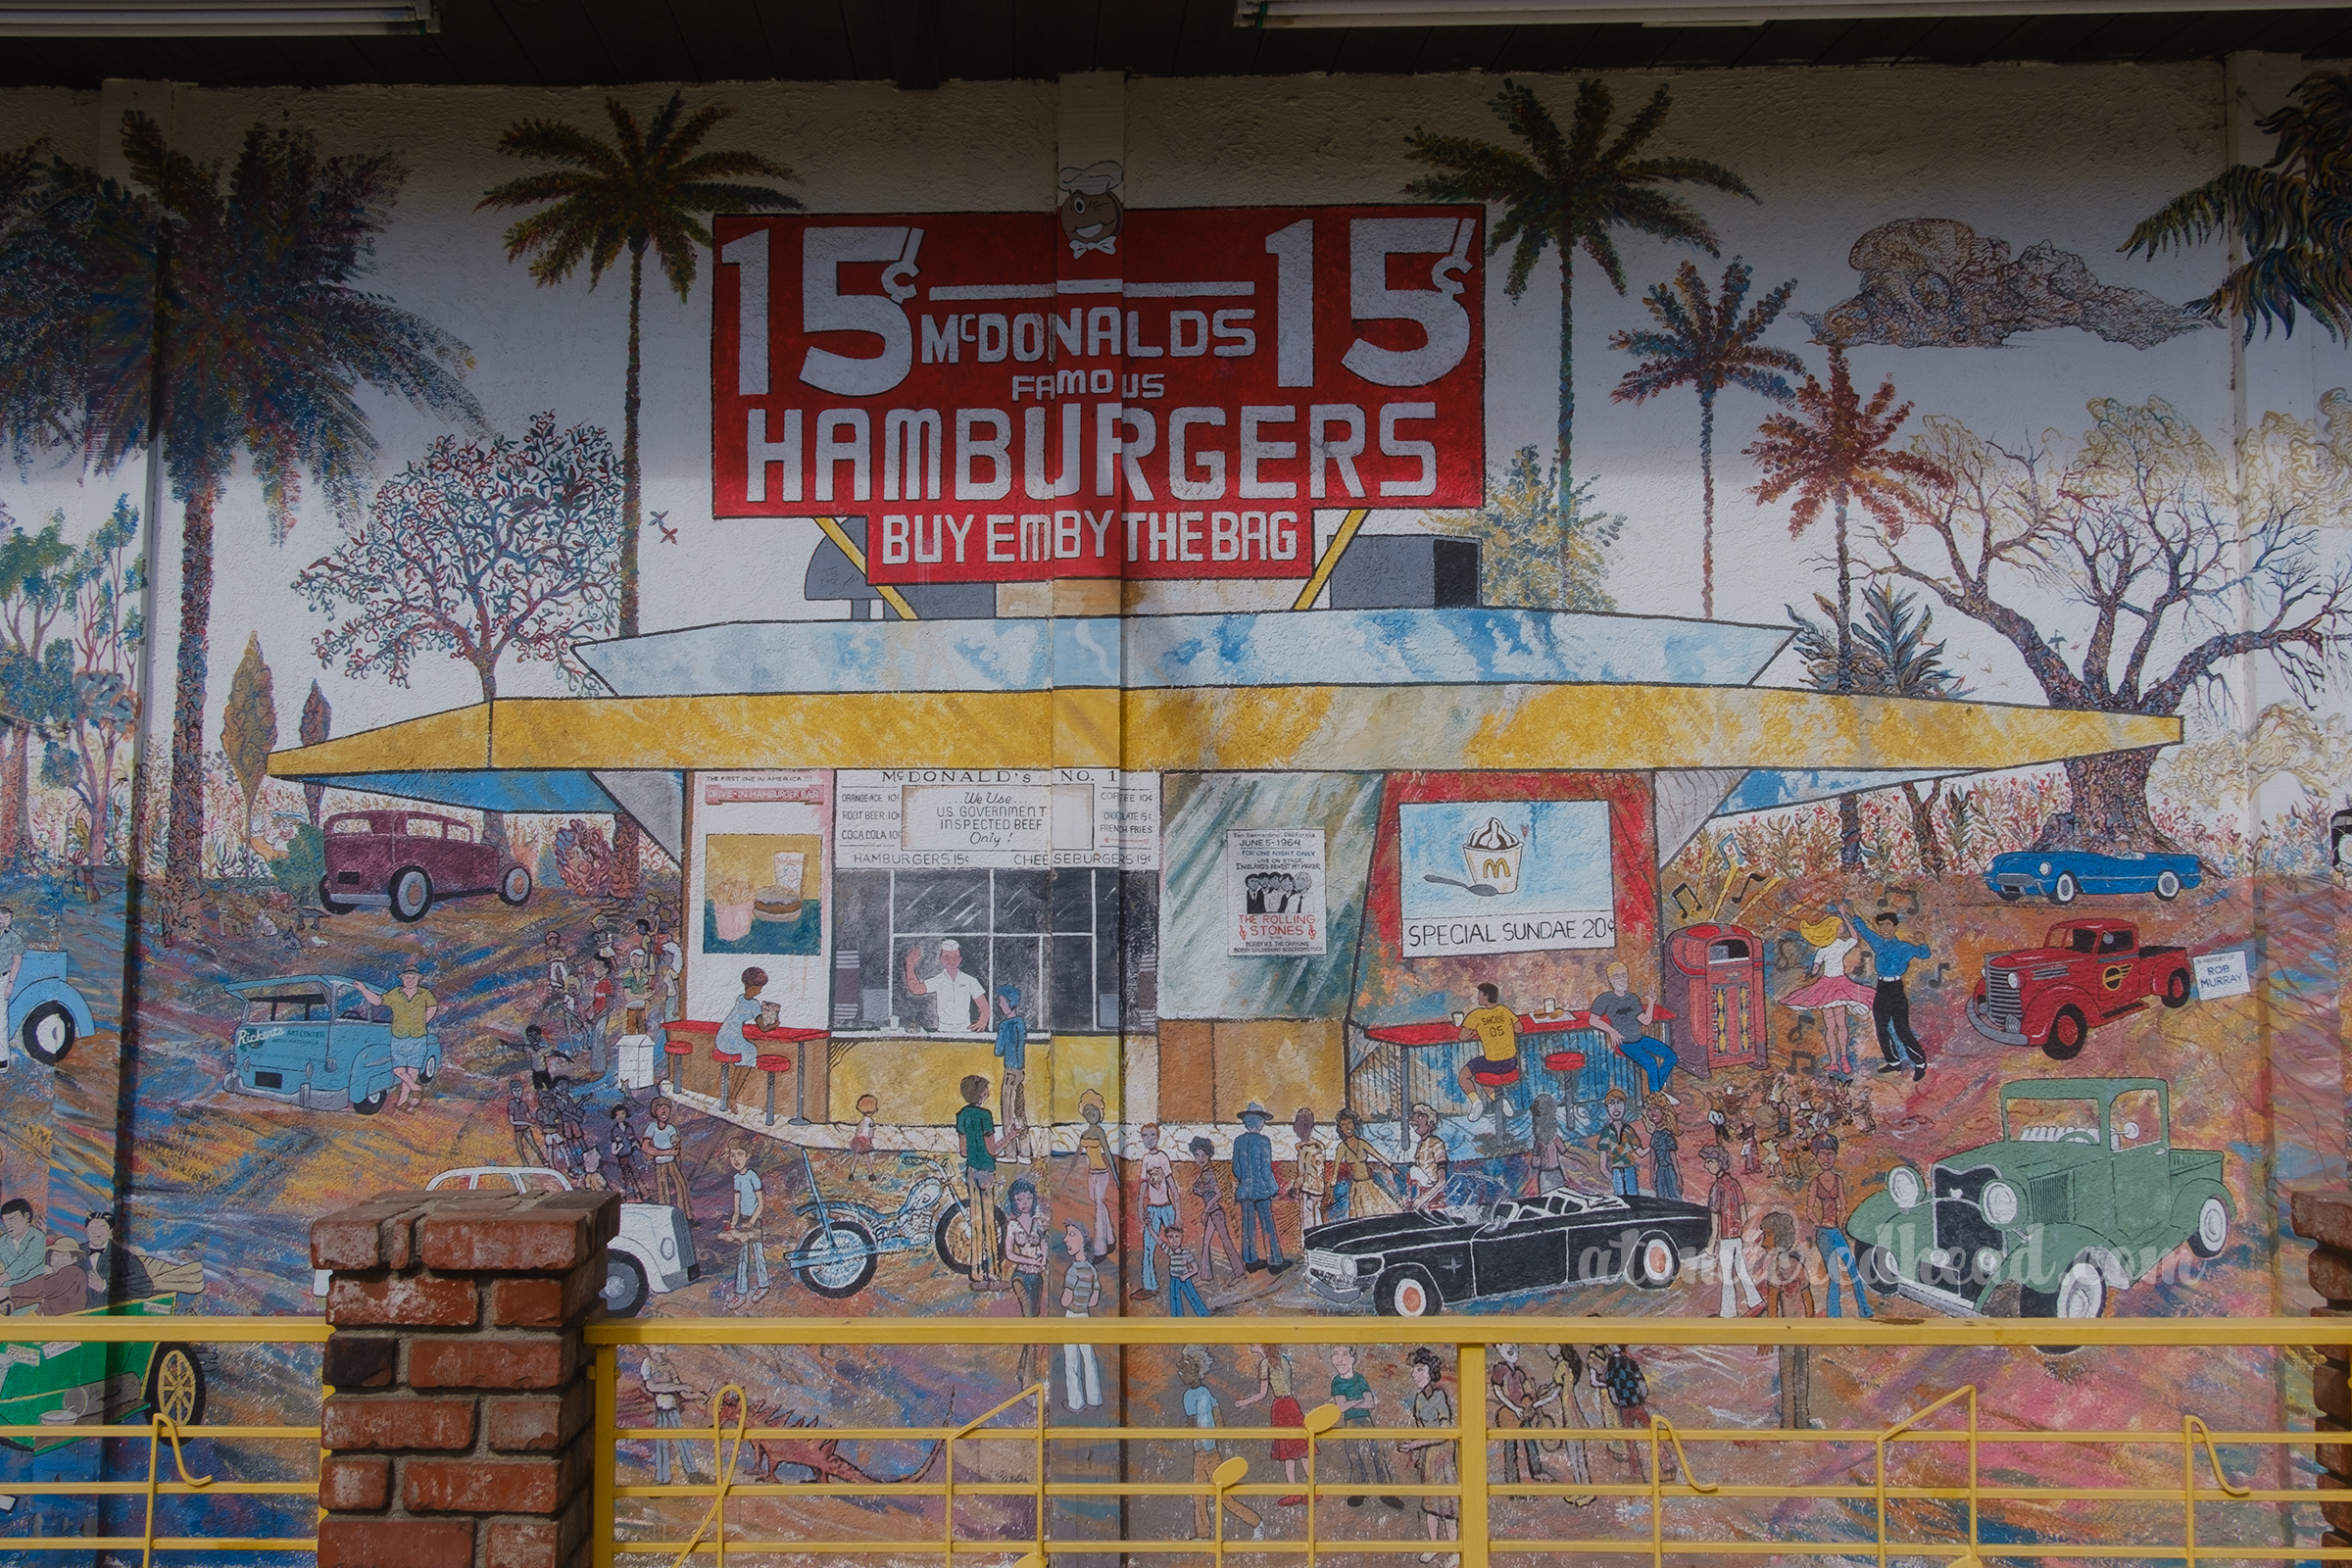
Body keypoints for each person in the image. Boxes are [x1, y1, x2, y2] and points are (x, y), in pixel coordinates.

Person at [1841, 904, 1932, 1080]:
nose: (1885, 929)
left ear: (1895, 927)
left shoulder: (1904, 947)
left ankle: (1919, 1062)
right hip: (1882, 988)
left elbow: (1924, 954)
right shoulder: (1879, 943)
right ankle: (1893, 1061)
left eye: (1889, 925)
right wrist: (1853, 916)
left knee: (1901, 1028)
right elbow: (1865, 932)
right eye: (1882, 925)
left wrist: (1922, 942)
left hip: (1896, 989)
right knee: (1881, 1026)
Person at [1179, 1348, 1261, 1543]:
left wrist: (1214, 1437)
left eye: (1186, 1364)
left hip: (1209, 1452)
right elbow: (1201, 1421)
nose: (1181, 1368)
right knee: (1199, 1495)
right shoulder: (1189, 1396)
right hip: (1200, 1452)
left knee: (1224, 1497)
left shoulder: (1203, 1394)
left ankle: (1256, 1523)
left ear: (1197, 1368)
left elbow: (1215, 1417)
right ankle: (1203, 1534)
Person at [1783, 913, 1874, 1077]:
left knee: (1832, 1027)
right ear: (1832, 930)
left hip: (1829, 986)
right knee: (1840, 1025)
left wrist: (1810, 972)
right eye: (1840, 927)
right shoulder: (1839, 945)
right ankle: (1842, 1059)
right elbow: (1854, 937)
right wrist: (1846, 917)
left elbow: (1815, 970)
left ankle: (1835, 1060)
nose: (1842, 929)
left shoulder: (1824, 949)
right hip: (1837, 986)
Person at [1753, 1209, 1816, 1429]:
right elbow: (1808, 1301)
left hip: (1788, 1332)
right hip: (1799, 1331)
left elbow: (1773, 1306)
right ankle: (1800, 1420)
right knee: (1800, 1377)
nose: (1763, 1241)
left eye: (1767, 1235)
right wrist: (1810, 1326)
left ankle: (1789, 1423)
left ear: (1778, 1237)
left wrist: (1769, 1335)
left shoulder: (1776, 1269)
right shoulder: (1797, 1266)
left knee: (1790, 1380)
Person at [1398, 1347, 1460, 1564]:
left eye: (1419, 1369)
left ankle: (1454, 1551)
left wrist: (1417, 1444)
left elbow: (1443, 1432)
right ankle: (1434, 1545)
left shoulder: (1439, 1396)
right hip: (1427, 1457)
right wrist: (1415, 1450)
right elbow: (1420, 1427)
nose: (1414, 1374)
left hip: (1443, 1456)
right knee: (1430, 1503)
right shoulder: (1418, 1399)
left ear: (1429, 1372)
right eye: (1414, 1370)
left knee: (1448, 1505)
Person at [1327, 1346, 1403, 1510]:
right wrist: (1358, 1400)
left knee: (1377, 1451)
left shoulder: (1360, 1378)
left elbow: (1370, 1403)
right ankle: (1358, 1490)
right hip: (1351, 1421)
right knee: (1353, 1453)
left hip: (1365, 1418)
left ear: (1353, 1358)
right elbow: (1341, 1407)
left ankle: (1386, 1492)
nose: (1339, 1359)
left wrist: (1351, 1402)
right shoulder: (1337, 1381)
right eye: (1335, 1354)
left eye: (1344, 1354)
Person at [354, 961, 436, 1112]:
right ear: (403, 979)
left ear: (418, 979)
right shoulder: (395, 993)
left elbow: (433, 1007)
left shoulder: (425, 994)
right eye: (407, 977)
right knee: (398, 1070)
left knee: (412, 1070)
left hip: (418, 1037)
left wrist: (423, 1021)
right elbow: (378, 1001)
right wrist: (363, 989)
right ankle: (415, 1087)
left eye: (413, 977)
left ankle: (403, 1102)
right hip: (399, 1036)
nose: (410, 980)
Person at [1590, 962, 1677, 1097]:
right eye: (1617, 976)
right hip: (1625, 1043)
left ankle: (1657, 1094)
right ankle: (1657, 1096)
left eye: (1624, 975)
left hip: (1640, 1038)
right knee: (1651, 1063)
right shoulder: (1605, 998)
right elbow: (1593, 1020)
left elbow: (1646, 1021)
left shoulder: (1632, 998)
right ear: (1611, 979)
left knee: (1671, 1056)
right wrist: (1612, 1031)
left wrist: (1651, 1002)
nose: (1621, 979)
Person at [1236, 1344, 1308, 1506]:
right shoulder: (1284, 1361)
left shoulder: (1265, 1363)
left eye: (1253, 1344)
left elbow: (1262, 1394)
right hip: (1292, 1404)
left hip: (1281, 1407)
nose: (1251, 1347)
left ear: (1262, 1346)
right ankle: (1313, 1488)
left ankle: (1294, 1491)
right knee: (1302, 1447)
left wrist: (1244, 1402)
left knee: (1287, 1450)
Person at [1528, 1346, 1595, 1507]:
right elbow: (1553, 1386)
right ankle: (1581, 1490)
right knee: (1576, 1457)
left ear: (1560, 1347)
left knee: (1577, 1457)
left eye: (1552, 1345)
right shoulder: (1564, 1365)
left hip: (1572, 1415)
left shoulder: (1562, 1366)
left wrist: (1536, 1404)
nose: (1548, 1349)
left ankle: (1586, 1491)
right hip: (1571, 1413)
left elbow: (1553, 1393)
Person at [1701, 1143, 1762, 1318]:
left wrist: (1713, 1241)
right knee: (1741, 1269)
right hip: (1736, 1235)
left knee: (1727, 1274)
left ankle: (1728, 1312)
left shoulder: (1717, 1187)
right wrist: (1740, 1229)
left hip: (1726, 1237)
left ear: (1719, 1162)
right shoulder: (1734, 1184)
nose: (1707, 1165)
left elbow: (1715, 1216)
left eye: (1710, 1161)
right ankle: (1755, 1301)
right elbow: (1743, 1211)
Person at [955, 1075, 1004, 1289]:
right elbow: (992, 1149)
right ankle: (993, 1274)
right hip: (986, 1170)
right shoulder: (985, 1115)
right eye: (986, 1090)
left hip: (971, 1171)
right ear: (980, 1093)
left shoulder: (962, 1115)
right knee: (989, 1224)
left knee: (975, 1223)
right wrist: (1012, 1135)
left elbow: (963, 1151)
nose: (988, 1093)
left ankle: (975, 1273)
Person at [1811, 1151, 1872, 1319]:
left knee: (1852, 1268)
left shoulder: (1838, 1180)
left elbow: (1843, 1205)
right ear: (1816, 1158)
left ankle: (1864, 1309)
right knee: (1834, 1275)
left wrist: (1841, 1223)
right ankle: (1834, 1315)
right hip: (1824, 1233)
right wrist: (1819, 1223)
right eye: (1822, 1155)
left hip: (1835, 1231)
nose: (1826, 1159)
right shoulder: (1815, 1183)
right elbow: (1809, 1209)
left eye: (1830, 1154)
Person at [1231, 1103, 1289, 1273]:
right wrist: (1274, 1188)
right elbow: (1265, 1168)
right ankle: (1275, 1261)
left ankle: (1250, 1261)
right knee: (1267, 1225)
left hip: (1244, 1190)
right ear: (1259, 1122)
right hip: (1262, 1190)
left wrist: (1246, 1181)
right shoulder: (1264, 1141)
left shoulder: (1239, 1141)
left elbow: (1236, 1168)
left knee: (1248, 1226)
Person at [1004, 1179, 1050, 1387]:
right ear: (1014, 1201)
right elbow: (1009, 1254)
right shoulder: (1013, 1225)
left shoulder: (1038, 1223)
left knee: (1032, 1321)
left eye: (1028, 1197)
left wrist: (1042, 1259)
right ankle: (1029, 1381)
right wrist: (1031, 1260)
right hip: (1021, 1277)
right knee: (1032, 1327)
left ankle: (1023, 1369)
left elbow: (1044, 1245)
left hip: (1036, 1277)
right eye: (1019, 1199)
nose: (1025, 1202)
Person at [1456, 982, 1524, 1110]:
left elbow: (1462, 1036)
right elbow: (1519, 1029)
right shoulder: (1504, 1010)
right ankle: (1502, 1102)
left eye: (1480, 995)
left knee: (1463, 1077)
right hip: (1511, 1062)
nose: (1477, 998)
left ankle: (1476, 1103)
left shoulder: (1477, 1015)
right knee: (1483, 1075)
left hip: (1493, 1063)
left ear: (1486, 996)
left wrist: (1478, 1030)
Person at [1058, 1220, 1103, 1413]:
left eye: (1071, 1234)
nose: (1065, 1239)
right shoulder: (1092, 1270)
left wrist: (1071, 1300)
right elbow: (1094, 1300)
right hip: (1085, 1316)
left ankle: (1076, 1402)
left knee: (1072, 1360)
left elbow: (1064, 1300)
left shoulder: (1073, 1270)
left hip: (1072, 1316)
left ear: (1083, 1240)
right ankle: (1094, 1399)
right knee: (1089, 1358)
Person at [639, 1348, 702, 1486]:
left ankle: (692, 1473)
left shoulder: (668, 1365)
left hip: (673, 1408)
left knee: (681, 1441)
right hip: (661, 1410)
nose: (663, 1344)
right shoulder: (647, 1363)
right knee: (662, 1443)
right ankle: (662, 1478)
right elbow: (652, 1387)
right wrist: (679, 1386)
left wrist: (697, 1396)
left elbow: (682, 1392)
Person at [1490, 1343, 1549, 1487]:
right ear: (1500, 1351)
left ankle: (1537, 1471)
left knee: (1531, 1443)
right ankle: (1512, 1480)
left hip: (1521, 1413)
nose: (1515, 1354)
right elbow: (1499, 1392)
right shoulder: (1500, 1370)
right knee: (1510, 1448)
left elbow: (1525, 1392)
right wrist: (1514, 1408)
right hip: (1509, 1414)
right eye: (1510, 1352)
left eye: (1516, 1350)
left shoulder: (1519, 1373)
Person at [720, 1141, 769, 1306]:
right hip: (742, 1221)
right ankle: (740, 1292)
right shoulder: (736, 1178)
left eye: (740, 1154)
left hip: (753, 1222)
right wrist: (733, 1223)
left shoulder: (752, 1176)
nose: (736, 1159)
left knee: (758, 1254)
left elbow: (761, 1204)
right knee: (742, 1258)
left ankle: (763, 1285)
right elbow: (736, 1206)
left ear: (748, 1156)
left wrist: (752, 1221)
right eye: (732, 1155)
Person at [1134, 1124, 1179, 1302]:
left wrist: (1178, 1213)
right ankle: (1149, 1286)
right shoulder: (1145, 1159)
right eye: (1145, 1135)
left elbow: (1173, 1187)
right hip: (1152, 1209)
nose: (1149, 1138)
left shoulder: (1163, 1158)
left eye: (1153, 1135)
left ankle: (1183, 1277)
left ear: (1158, 1137)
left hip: (1167, 1207)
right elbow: (1143, 1186)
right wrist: (1140, 1208)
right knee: (1148, 1248)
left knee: (1175, 1245)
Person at [1189, 1137, 1244, 1282]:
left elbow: (1218, 1194)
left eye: (1203, 1155)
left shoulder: (1209, 1174)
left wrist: (1206, 1211)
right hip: (1212, 1213)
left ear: (1209, 1156)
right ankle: (1205, 1277)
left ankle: (1239, 1273)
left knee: (1226, 1242)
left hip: (1216, 1213)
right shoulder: (1204, 1173)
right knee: (1206, 1243)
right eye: (1197, 1155)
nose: (1200, 1158)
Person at [905, 939, 988, 1034]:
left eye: (955, 958)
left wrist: (982, 1021)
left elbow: (984, 1007)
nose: (951, 961)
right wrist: (910, 965)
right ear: (941, 959)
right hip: (943, 1031)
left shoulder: (970, 981)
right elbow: (915, 989)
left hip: (966, 1031)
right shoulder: (938, 980)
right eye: (946, 958)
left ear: (960, 959)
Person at [713, 967, 768, 1107]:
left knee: (748, 1050)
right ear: (753, 986)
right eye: (759, 987)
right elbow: (763, 1028)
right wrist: (775, 1024)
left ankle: (731, 1095)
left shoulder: (740, 998)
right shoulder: (754, 1004)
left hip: (722, 1037)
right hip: (731, 1040)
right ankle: (732, 1096)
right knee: (751, 1051)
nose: (760, 991)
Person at [1332, 1108, 1400, 1219]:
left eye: (1350, 1123)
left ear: (1355, 1124)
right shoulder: (1342, 1147)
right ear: (1340, 1128)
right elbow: (1335, 1168)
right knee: (1357, 1216)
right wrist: (1331, 1187)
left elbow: (1377, 1155)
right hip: (1356, 1186)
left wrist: (1392, 1167)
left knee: (1381, 1210)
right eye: (1343, 1125)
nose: (1348, 1127)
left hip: (1368, 1184)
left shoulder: (1362, 1143)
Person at [3, 1236, 89, 1317]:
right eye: (55, 1257)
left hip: (68, 1324)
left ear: (74, 1259)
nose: (59, 1262)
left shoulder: (74, 1271)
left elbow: (46, 1287)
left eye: (64, 1257)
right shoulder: (54, 1277)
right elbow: (39, 1297)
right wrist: (13, 1303)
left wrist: (11, 1290)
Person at [1076, 1090, 1116, 1259]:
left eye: (1094, 1111)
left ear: (1100, 1112)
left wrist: (1116, 1175)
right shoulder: (1084, 1134)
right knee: (1097, 1202)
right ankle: (1110, 1238)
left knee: (1099, 1206)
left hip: (1102, 1173)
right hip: (1092, 1173)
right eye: (1087, 1112)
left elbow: (1107, 1153)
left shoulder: (1099, 1132)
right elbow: (1078, 1155)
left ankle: (1100, 1249)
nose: (1091, 1115)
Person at [642, 1097, 690, 1215]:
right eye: (660, 1109)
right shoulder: (652, 1127)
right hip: (660, 1163)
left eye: (666, 1109)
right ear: (655, 1112)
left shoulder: (671, 1128)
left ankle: (686, 1215)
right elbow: (645, 1147)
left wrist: (676, 1144)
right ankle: (666, 1216)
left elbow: (675, 1143)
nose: (664, 1112)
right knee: (663, 1190)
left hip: (671, 1162)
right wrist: (666, 1152)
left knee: (681, 1186)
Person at [1596, 1089, 1645, 1197]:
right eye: (1611, 1103)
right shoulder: (1606, 1133)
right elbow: (1602, 1165)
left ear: (1624, 1106)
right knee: (1621, 1202)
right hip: (1616, 1172)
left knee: (1634, 1200)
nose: (1616, 1107)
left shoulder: (1628, 1130)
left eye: (1619, 1103)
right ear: (1607, 1108)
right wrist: (1614, 1179)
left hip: (1630, 1171)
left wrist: (1653, 1145)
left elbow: (1640, 1152)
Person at [993, 984, 1027, 1129]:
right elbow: (1021, 1044)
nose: (1000, 1004)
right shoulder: (1020, 1022)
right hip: (1020, 1071)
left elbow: (998, 1051)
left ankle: (1011, 1151)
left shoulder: (1005, 1025)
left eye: (1002, 1001)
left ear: (1010, 1002)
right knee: (1019, 1111)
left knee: (1007, 1112)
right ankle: (1025, 1148)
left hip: (1010, 1072)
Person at [1405, 1104, 1450, 1211]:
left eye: (1420, 1116)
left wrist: (1424, 1198)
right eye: (1415, 1116)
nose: (1415, 1119)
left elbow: (1441, 1181)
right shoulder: (1421, 1144)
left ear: (1430, 1124)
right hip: (1422, 1198)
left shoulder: (1436, 1144)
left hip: (1433, 1199)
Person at [1291, 1108, 1328, 1235]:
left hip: (1307, 1190)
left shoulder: (1304, 1150)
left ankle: (1308, 1251)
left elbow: (1302, 1174)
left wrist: (1294, 1187)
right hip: (1319, 1189)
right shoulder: (1318, 1148)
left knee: (1307, 1224)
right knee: (1318, 1220)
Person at [1160, 1219, 1207, 1318]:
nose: (1174, 1240)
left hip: (1185, 1279)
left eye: (1177, 1236)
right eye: (1170, 1237)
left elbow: (1195, 1268)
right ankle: (1177, 1318)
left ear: (1182, 1236)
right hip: (1174, 1279)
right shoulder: (1170, 1252)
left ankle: (1204, 1315)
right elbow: (1158, 1240)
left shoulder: (1186, 1253)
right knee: (1174, 1299)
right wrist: (1149, 1227)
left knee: (1192, 1297)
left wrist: (1186, 1276)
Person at [1529, 1095, 1570, 1195]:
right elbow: (1565, 1152)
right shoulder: (1555, 1138)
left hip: (1545, 1174)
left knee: (1547, 1198)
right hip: (1556, 1172)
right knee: (1560, 1196)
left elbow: (1534, 1163)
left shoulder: (1538, 1143)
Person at [0, 906, 24, 1070]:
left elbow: (17, 961)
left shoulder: (15, 938)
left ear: (11, 919)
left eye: (6, 917)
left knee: (1, 1019)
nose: (2, 920)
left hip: (2, 980)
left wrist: (10, 983)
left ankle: (2, 1058)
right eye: (0, 916)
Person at [1646, 1096, 1684, 1201]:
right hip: (1660, 1171)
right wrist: (1652, 1175)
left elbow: (1673, 1158)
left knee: (1674, 1194)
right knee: (1661, 1196)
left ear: (1664, 1112)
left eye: (1656, 1110)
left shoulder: (1667, 1135)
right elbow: (1652, 1159)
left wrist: (1678, 1176)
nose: (1653, 1114)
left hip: (1669, 1169)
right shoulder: (1655, 1135)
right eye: (1650, 1110)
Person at [0, 1200, 41, 1288]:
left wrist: (4, 1278)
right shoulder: (3, 1240)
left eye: (13, 1219)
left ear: (26, 1216)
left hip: (32, 1289)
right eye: (5, 1221)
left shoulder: (38, 1237)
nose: (8, 1225)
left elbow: (26, 1263)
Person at [608, 1105, 646, 1201]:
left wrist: (635, 1144)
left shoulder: (629, 1128)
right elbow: (614, 1147)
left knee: (636, 1174)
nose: (620, 1116)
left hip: (630, 1155)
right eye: (618, 1114)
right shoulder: (614, 1130)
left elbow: (633, 1140)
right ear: (615, 1116)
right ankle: (631, 1196)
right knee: (627, 1177)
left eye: (622, 1114)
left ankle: (642, 1194)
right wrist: (618, 1144)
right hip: (622, 1157)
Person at [848, 1093, 881, 1182]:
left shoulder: (862, 1121)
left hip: (858, 1140)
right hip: (864, 1141)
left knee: (856, 1158)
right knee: (866, 1158)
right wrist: (870, 1137)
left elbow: (858, 1131)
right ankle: (871, 1174)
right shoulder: (870, 1121)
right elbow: (870, 1134)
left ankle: (851, 1173)